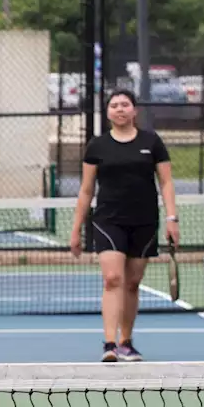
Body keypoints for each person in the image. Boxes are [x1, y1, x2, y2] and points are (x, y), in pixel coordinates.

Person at [70, 90, 180, 363]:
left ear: (134, 111)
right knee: (112, 279)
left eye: (125, 105)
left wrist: (172, 219)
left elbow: (166, 183)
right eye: (115, 105)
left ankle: (126, 342)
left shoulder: (152, 142)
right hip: (108, 221)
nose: (120, 109)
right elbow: (86, 190)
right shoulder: (97, 146)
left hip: (144, 221)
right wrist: (75, 229)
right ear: (108, 112)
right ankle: (109, 344)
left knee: (132, 283)